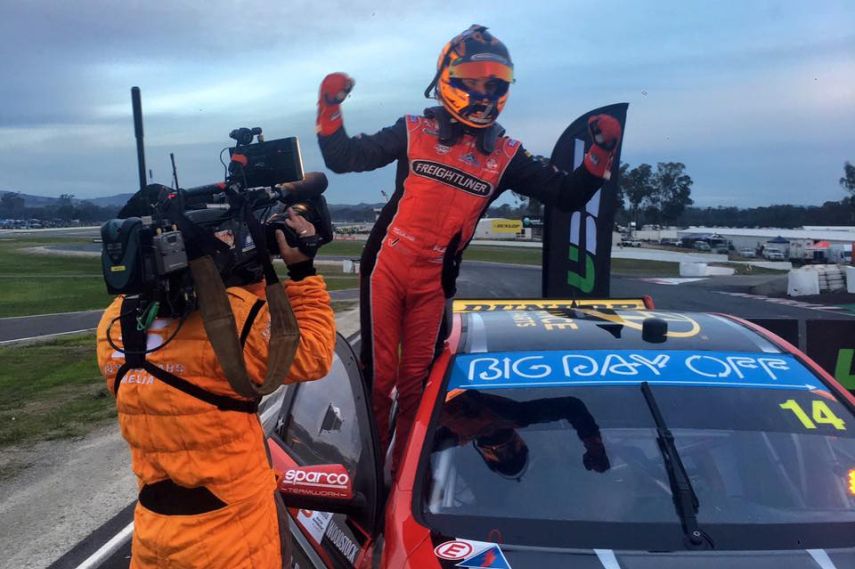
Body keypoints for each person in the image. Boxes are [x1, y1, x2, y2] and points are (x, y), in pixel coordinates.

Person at [316, 24, 622, 478]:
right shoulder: (414, 129)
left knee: (416, 390)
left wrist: (600, 153)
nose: (483, 90)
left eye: (492, 82)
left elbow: (566, 195)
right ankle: (371, 482)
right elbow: (344, 159)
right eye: (473, 79)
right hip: (386, 267)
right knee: (380, 383)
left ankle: (401, 487)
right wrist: (330, 107)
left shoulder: (506, 154)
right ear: (448, 79)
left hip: (435, 279)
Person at [96, 207, 336, 568]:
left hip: (154, 532)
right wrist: (302, 272)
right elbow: (314, 354)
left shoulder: (115, 322)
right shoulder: (239, 320)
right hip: (231, 535)